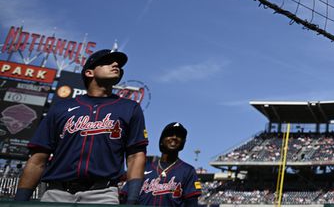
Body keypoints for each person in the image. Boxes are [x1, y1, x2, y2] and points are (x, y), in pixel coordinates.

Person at [14, 49, 148, 203]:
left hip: (102, 194)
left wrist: (132, 200)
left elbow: (135, 156)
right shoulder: (61, 108)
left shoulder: (129, 108)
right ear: (89, 72)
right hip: (56, 193)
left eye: (118, 64)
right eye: (107, 62)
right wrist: (20, 201)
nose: (116, 64)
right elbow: (38, 158)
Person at [121, 122, 202, 206]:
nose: (174, 137)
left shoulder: (188, 171)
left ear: (183, 143)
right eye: (170, 134)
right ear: (161, 141)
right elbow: (125, 196)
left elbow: (192, 204)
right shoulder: (143, 168)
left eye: (179, 136)